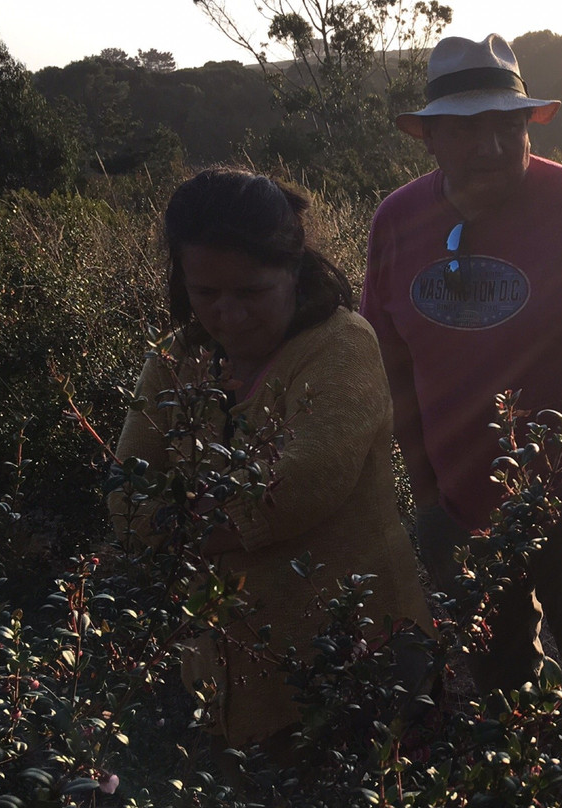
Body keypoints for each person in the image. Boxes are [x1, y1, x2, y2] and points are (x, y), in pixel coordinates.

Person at [360, 33, 562, 806]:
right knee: (492, 659)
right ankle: (517, 775)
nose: (492, 145)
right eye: (465, 127)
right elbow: (391, 366)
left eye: (509, 125)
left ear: (529, 125)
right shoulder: (396, 223)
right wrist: (425, 491)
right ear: (428, 135)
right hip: (456, 502)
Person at [110, 168, 433, 752]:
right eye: (205, 293)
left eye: (250, 291)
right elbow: (126, 499)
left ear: (293, 270)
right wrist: (188, 520)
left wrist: (176, 522)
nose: (226, 312)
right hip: (227, 669)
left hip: (357, 653)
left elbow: (295, 490)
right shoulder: (175, 359)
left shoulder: (342, 345)